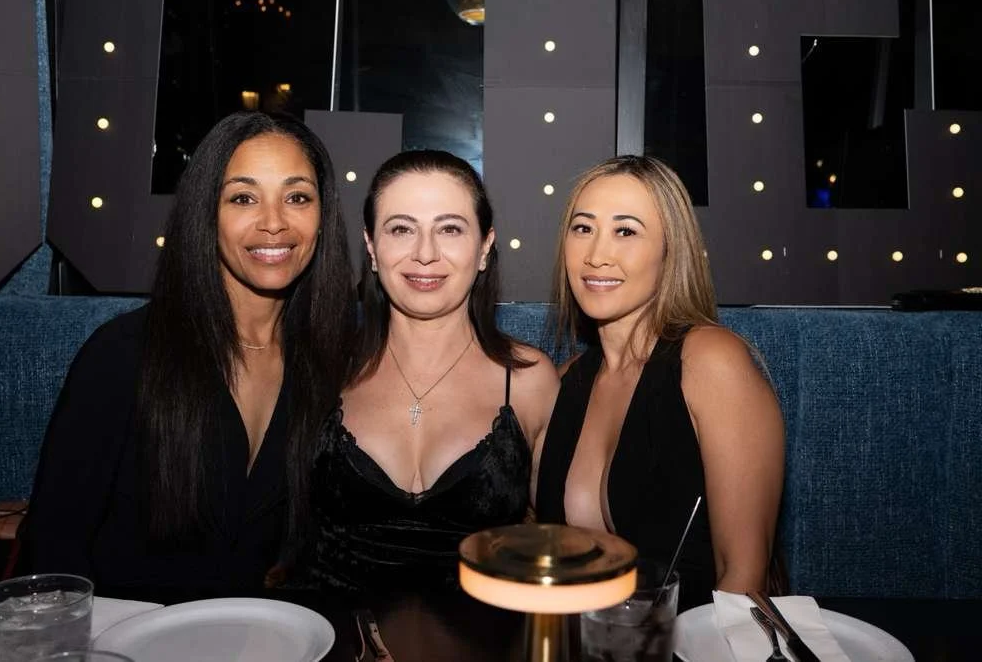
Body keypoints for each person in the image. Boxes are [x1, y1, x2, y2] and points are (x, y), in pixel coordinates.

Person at [23, 111, 354, 591]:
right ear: (206, 215)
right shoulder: (123, 356)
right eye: (243, 198)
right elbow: (52, 548)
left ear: (323, 218)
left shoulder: (330, 365)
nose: (274, 222)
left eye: (297, 197)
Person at [302, 150, 560, 595]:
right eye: (401, 229)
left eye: (450, 229)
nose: (425, 254)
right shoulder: (322, 369)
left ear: (484, 247)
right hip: (334, 628)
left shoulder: (530, 381)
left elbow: (557, 540)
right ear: (371, 248)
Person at [534, 155, 785, 611]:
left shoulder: (710, 361)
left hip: (696, 639)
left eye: (626, 231)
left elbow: (745, 576)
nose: (596, 255)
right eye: (583, 228)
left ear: (671, 251)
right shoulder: (567, 382)